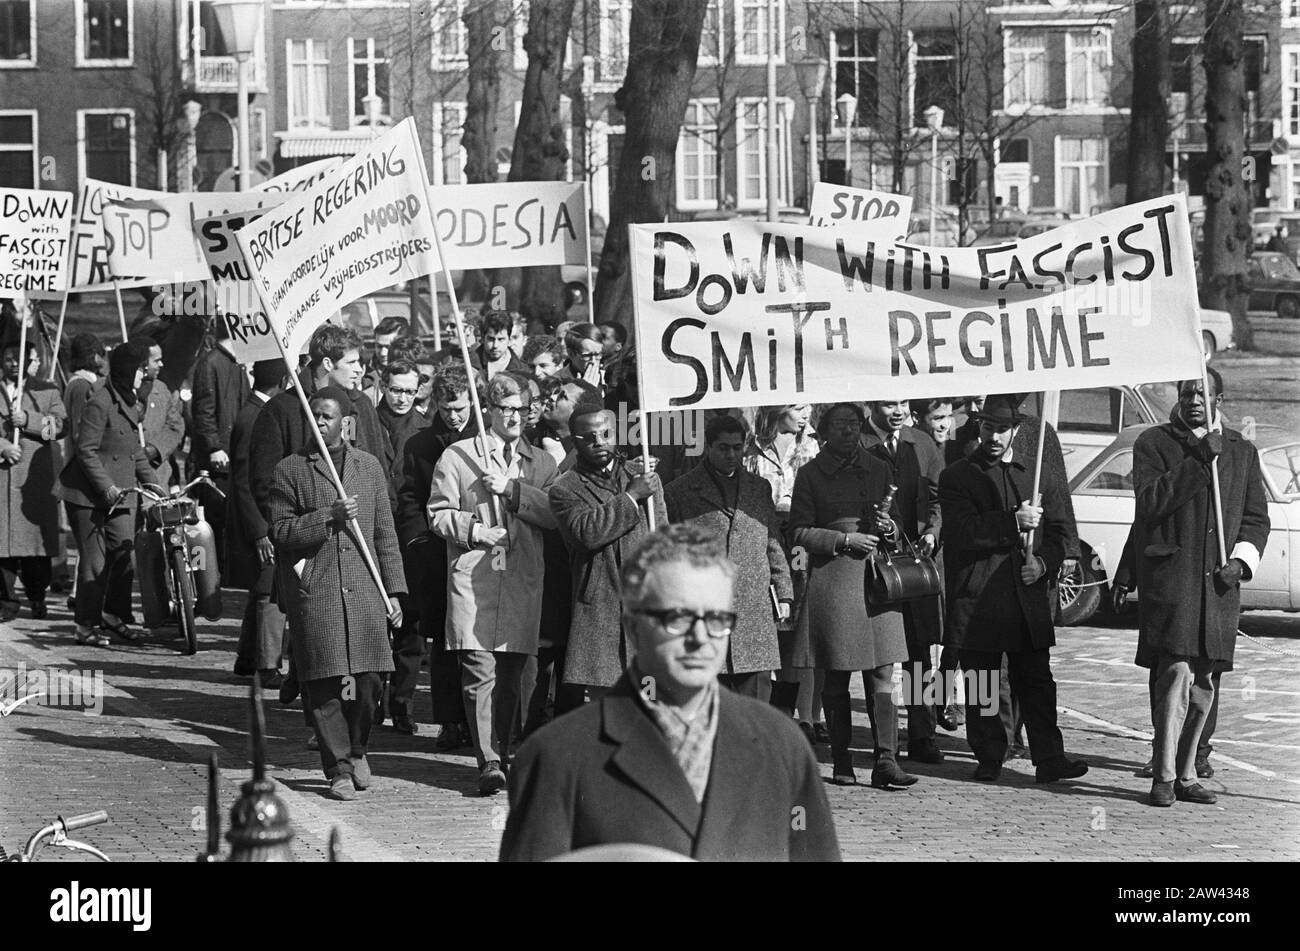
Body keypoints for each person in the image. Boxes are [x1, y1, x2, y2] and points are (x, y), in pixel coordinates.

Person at [499, 523, 840, 862]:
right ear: (633, 626)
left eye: (717, 619)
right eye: (678, 617)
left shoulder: (780, 744)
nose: (699, 638)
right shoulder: (557, 757)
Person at [1132, 369, 1269, 807]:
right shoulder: (1154, 444)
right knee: (1174, 676)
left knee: (1204, 683)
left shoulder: (1241, 451)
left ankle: (1189, 772)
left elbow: (1255, 517)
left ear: (1219, 398)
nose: (1194, 400)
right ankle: (1164, 775)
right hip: (1173, 581)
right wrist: (1196, 461)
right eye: (1187, 392)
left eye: (1202, 393)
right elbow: (1149, 505)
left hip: (1219, 586)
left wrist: (1241, 563)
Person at [938, 394, 1088, 784]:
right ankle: (989, 756)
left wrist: (1044, 563)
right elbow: (962, 533)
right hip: (979, 594)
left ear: (1017, 431)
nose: (994, 436)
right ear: (979, 427)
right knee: (982, 681)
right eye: (988, 427)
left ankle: (1049, 757)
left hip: (1027, 595)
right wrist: (1013, 521)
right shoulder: (957, 476)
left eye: (1002, 429)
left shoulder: (1036, 473)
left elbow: (1058, 534)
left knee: (1037, 682)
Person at [268, 386, 405, 801]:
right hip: (319, 589)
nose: (319, 423)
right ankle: (337, 768)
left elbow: (385, 534)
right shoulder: (290, 469)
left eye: (326, 417)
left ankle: (358, 748)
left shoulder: (368, 468)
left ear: (346, 422)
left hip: (365, 588)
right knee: (325, 684)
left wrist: (394, 591)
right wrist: (329, 515)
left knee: (368, 682)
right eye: (314, 416)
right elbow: (281, 531)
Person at [427, 373, 559, 795]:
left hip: (520, 579)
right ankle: (489, 760)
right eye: (507, 409)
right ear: (490, 410)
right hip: (476, 577)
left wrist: (514, 491)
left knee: (511, 674)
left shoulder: (541, 462)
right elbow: (437, 512)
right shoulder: (458, 456)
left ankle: (504, 747)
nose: (516, 416)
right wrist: (473, 530)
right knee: (479, 669)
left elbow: (556, 514)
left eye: (523, 409)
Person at [787, 402, 915, 789]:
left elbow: (900, 527)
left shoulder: (879, 468)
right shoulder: (810, 475)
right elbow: (798, 531)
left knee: (883, 671)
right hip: (835, 580)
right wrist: (842, 539)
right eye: (841, 424)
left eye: (854, 424)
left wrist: (888, 527)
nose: (848, 431)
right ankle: (842, 759)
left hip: (876, 579)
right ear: (825, 431)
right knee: (837, 674)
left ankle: (886, 760)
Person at [664, 415, 788, 699]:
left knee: (755, 706)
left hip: (753, 607)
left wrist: (784, 592)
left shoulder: (759, 487)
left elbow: (772, 542)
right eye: (723, 447)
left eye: (737, 447)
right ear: (708, 447)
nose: (732, 454)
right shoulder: (679, 492)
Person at [549, 399, 666, 694]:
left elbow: (663, 540)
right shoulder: (565, 488)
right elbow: (586, 533)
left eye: (606, 434)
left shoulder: (643, 477)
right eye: (588, 438)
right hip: (602, 607)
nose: (599, 443)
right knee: (610, 705)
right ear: (574, 442)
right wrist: (630, 498)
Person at [395, 362, 477, 748]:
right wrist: (417, 541)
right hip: (437, 552)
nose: (454, 416)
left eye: (460, 407)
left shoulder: (485, 443)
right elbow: (409, 499)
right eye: (446, 409)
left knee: (479, 640)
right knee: (445, 641)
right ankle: (450, 719)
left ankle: (482, 721)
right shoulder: (420, 444)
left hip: (480, 551)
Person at [860, 399, 945, 764]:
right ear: (870, 405)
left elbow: (940, 497)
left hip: (914, 564)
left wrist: (932, 531)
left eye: (904, 403)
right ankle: (884, 745)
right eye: (888, 403)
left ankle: (923, 734)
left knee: (919, 652)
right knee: (877, 656)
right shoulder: (858, 442)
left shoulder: (921, 443)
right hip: (873, 563)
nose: (897, 410)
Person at [56, 340, 153, 646]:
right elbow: (85, 452)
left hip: (120, 493)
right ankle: (85, 625)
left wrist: (154, 484)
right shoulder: (99, 401)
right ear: (128, 370)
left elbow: (134, 451)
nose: (144, 374)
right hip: (86, 495)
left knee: (125, 553)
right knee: (94, 562)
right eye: (140, 369)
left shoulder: (129, 400)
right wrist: (106, 487)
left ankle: (114, 614)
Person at [744, 403, 823, 741]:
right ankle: (772, 711)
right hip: (764, 535)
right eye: (797, 408)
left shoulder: (812, 446)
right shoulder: (752, 447)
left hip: (801, 541)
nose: (805, 415)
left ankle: (806, 716)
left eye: (808, 408)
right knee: (771, 621)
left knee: (800, 624)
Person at [374, 358, 431, 732]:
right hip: (373, 530)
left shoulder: (423, 429)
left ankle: (403, 704)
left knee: (410, 624)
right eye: (395, 389)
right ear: (383, 384)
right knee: (375, 623)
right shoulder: (365, 421)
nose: (402, 398)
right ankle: (372, 702)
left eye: (410, 391)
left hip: (408, 537)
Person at [228, 359, 290, 686]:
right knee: (269, 586)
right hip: (260, 523)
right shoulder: (256, 416)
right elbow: (243, 480)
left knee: (260, 587)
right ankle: (267, 664)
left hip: (260, 520)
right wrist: (261, 530)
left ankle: (247, 657)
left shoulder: (254, 411)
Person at [0, 339, 66, 621]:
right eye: (8, 357)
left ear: (30, 360)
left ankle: (37, 597)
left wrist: (28, 419)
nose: (14, 362)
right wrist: (2, 446)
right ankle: (6, 603)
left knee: (36, 547)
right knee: (2, 547)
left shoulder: (47, 391)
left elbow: (60, 427)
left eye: (19, 357)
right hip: (3, 478)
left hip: (34, 481)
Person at [191, 323, 251, 568]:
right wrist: (214, 446)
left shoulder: (237, 363)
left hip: (235, 452)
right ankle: (213, 568)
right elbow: (203, 411)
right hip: (219, 458)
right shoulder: (210, 363)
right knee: (215, 516)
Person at [136, 338, 185, 491]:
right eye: (156, 361)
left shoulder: (161, 390)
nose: (161, 365)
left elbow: (175, 426)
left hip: (157, 480)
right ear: (142, 363)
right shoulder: (117, 390)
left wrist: (155, 449)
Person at [361, 316, 410, 403]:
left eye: (388, 347)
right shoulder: (362, 372)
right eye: (379, 346)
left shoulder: (416, 373)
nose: (383, 353)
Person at [478, 310, 528, 380]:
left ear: (509, 339)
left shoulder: (523, 372)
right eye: (491, 339)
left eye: (501, 339)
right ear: (483, 338)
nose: (495, 345)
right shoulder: (468, 365)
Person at [557, 323, 605, 389]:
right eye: (587, 356)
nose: (593, 361)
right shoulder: (556, 382)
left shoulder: (607, 377)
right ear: (571, 353)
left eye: (597, 355)